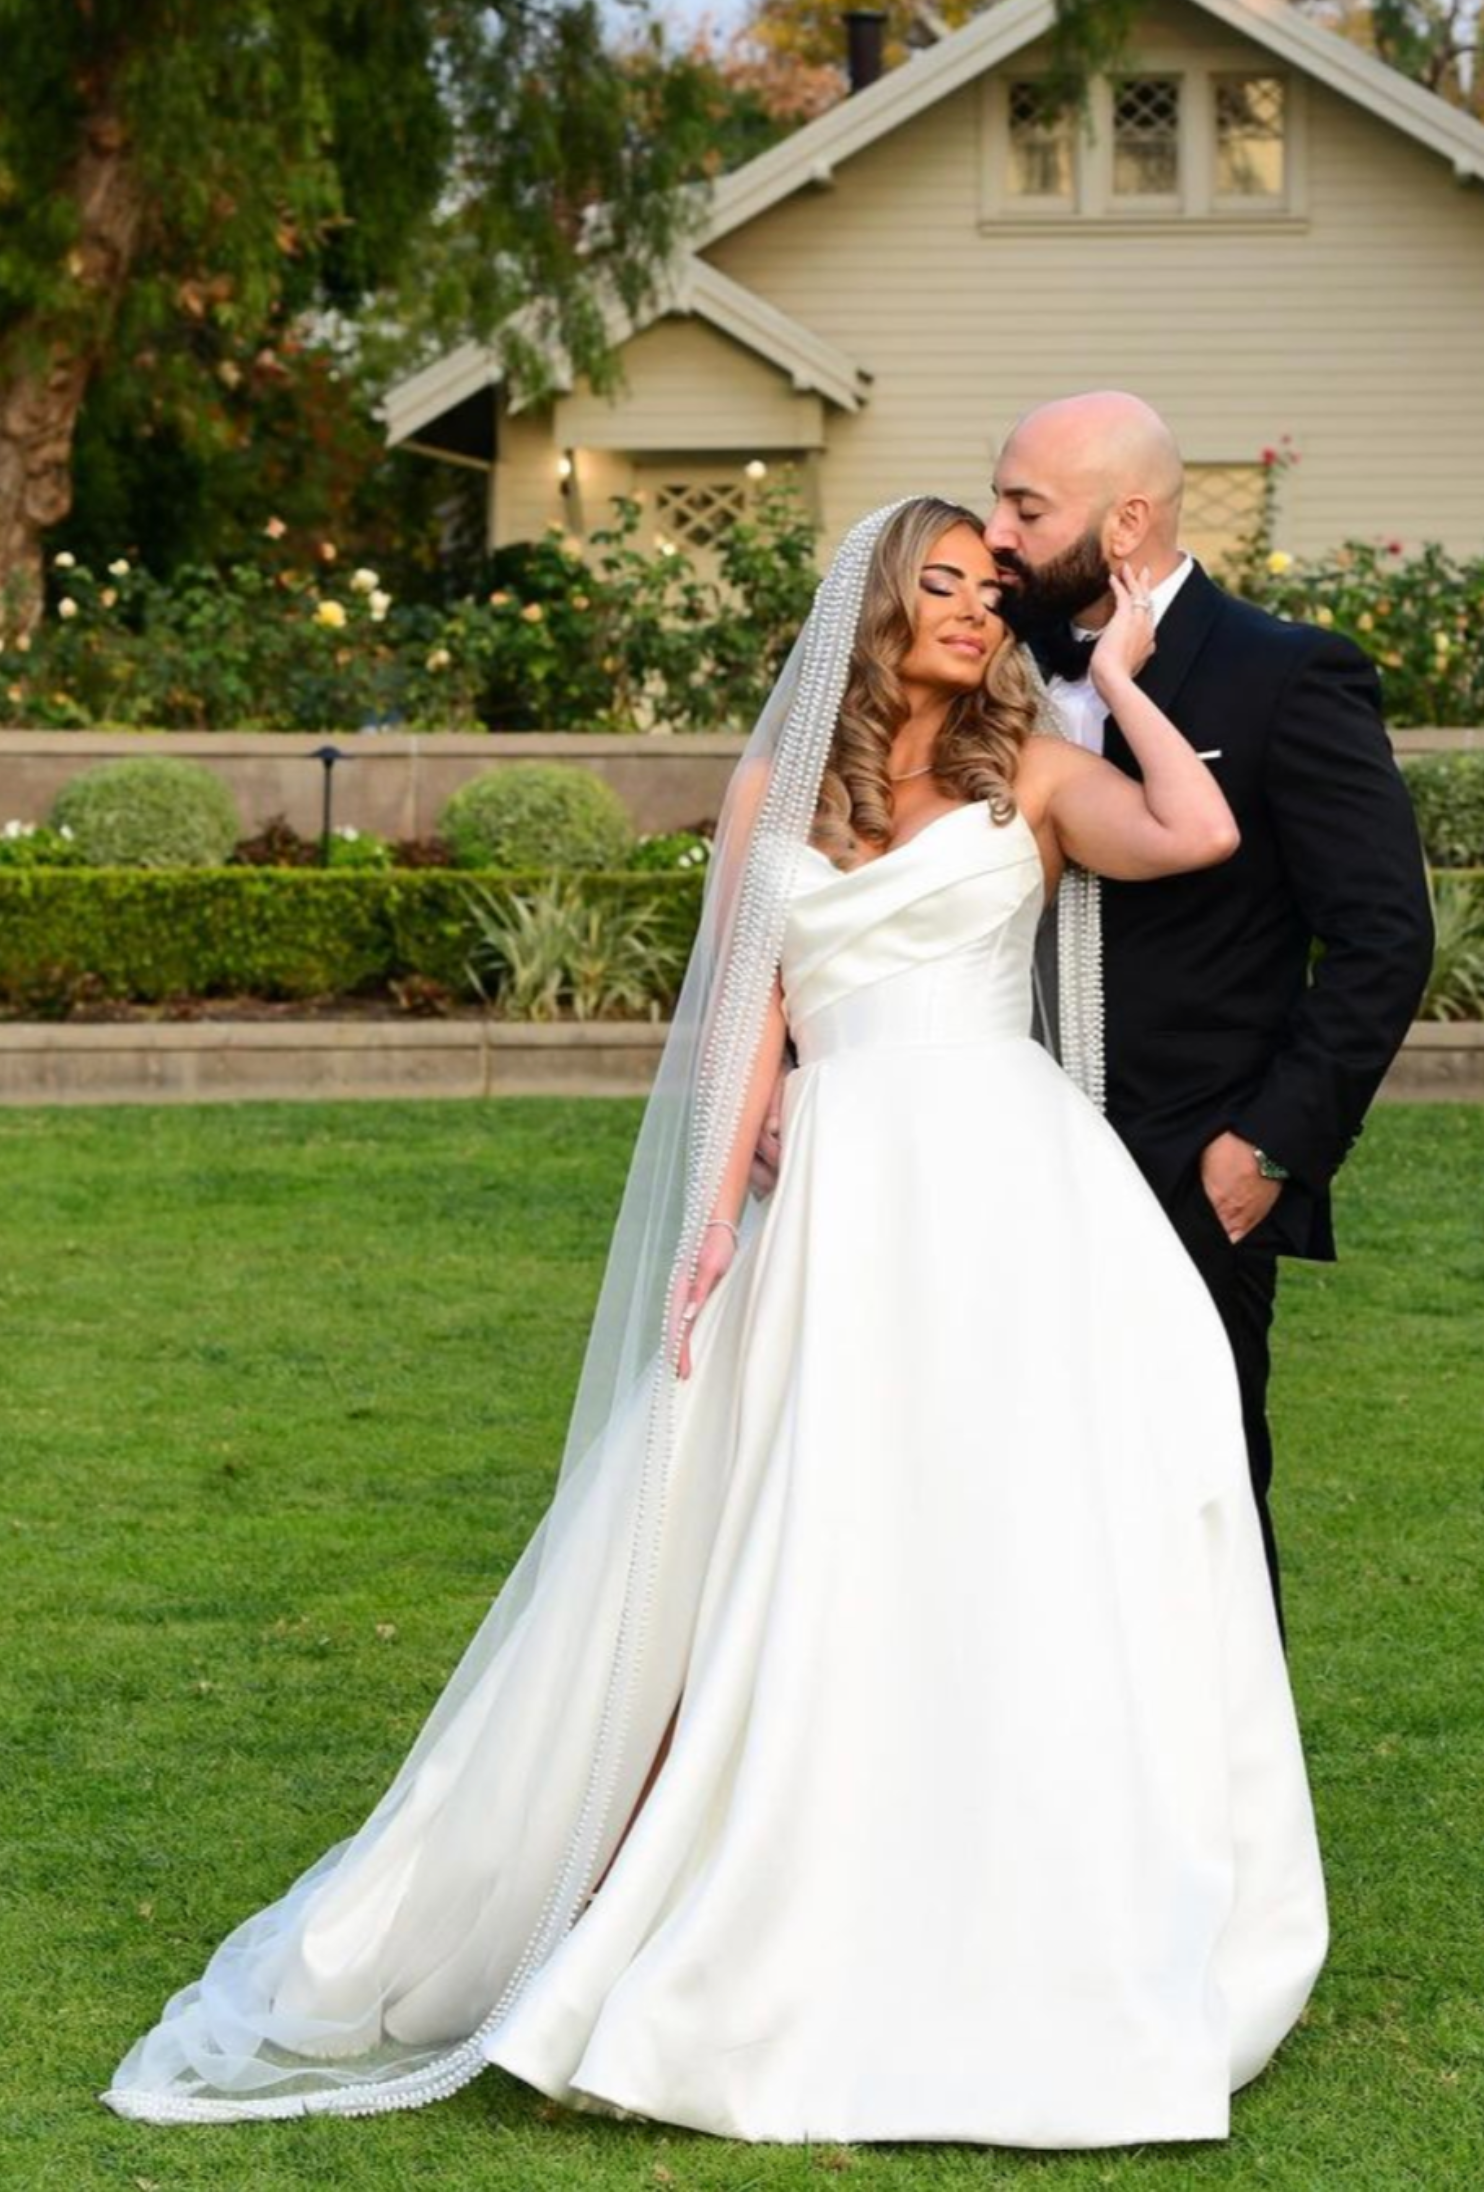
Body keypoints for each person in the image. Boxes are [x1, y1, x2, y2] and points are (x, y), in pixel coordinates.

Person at [104, 496, 1329, 2145]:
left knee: (1015, 1531)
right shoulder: (773, 793)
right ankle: (776, 1902)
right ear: (880, 610)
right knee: (822, 1537)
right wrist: (703, 1237)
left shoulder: (1025, 771)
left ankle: (1035, 1901)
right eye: (946, 586)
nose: (977, 612)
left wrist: (1122, 673)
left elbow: (1196, 834)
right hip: (843, 1198)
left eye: (992, 589)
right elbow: (749, 1024)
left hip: (1016, 1199)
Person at [988, 395, 1435, 1635]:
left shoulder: (1286, 676)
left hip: (1189, 1166)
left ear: (1125, 521)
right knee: (1006, 1490)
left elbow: (1383, 939)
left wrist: (1268, 1148)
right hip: (990, 1159)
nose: (995, 533)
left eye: (1025, 507)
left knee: (1195, 1495)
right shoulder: (969, 669)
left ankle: (1230, 1813)